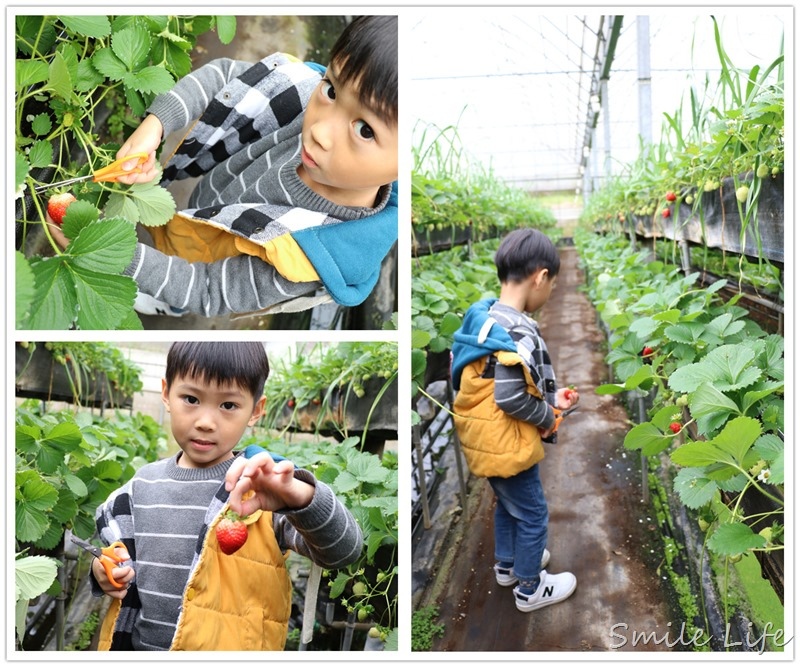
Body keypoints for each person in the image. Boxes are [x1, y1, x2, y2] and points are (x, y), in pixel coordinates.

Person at [51, 16, 398, 317]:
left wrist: (109, 251)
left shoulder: (312, 255)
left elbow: (207, 289)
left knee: (180, 292)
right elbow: (225, 80)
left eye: (365, 130)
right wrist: (156, 125)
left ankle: (167, 304)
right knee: (180, 229)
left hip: (209, 263)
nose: (320, 131)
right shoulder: (297, 90)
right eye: (333, 91)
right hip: (209, 208)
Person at [89, 342, 363, 650]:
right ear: (166, 393)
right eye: (191, 399)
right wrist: (105, 571)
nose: (206, 422)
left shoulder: (260, 489)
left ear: (256, 411)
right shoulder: (141, 486)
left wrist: (300, 497)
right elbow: (116, 553)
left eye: (228, 406)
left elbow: (345, 551)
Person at [450, 228, 579, 613]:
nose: (550, 293)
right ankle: (530, 588)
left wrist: (552, 396)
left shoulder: (486, 318)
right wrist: (548, 415)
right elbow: (509, 397)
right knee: (534, 512)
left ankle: (508, 566)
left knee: (509, 506)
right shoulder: (517, 331)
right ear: (540, 277)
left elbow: (500, 384)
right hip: (506, 440)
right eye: (552, 285)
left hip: (486, 437)